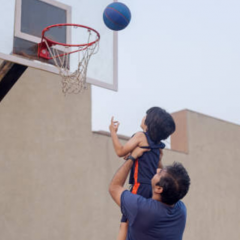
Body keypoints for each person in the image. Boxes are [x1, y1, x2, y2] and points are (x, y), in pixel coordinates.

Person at [109, 107, 176, 240]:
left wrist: (113, 132)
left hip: (139, 186)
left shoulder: (140, 136)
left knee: (125, 223)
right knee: (139, 224)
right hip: (151, 189)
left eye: (146, 116)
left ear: (150, 123)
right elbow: (154, 165)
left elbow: (120, 151)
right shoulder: (158, 145)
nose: (143, 117)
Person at [109, 147, 191, 240]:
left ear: (159, 189)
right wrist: (158, 160)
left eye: (159, 173)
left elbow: (114, 188)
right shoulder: (181, 211)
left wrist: (132, 157)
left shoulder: (142, 209)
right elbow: (169, 183)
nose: (157, 170)